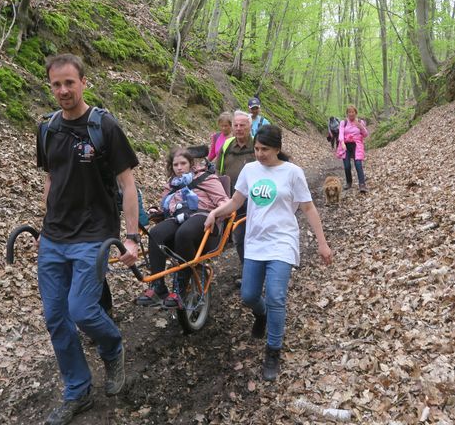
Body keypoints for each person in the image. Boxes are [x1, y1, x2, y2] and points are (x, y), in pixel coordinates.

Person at [36, 54, 140, 425]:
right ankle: (77, 391)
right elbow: (51, 177)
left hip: (94, 234)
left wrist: (131, 237)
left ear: (83, 82)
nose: (63, 90)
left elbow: (128, 185)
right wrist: (46, 219)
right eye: (56, 84)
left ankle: (112, 348)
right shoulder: (47, 128)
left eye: (69, 83)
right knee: (56, 317)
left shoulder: (104, 126)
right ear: (50, 86)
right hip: (53, 237)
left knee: (81, 309)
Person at [204, 125, 332, 381]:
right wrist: (215, 212)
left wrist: (322, 243)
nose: (260, 154)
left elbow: (308, 208)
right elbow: (235, 202)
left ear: (277, 148)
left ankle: (273, 350)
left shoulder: (293, 173)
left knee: (276, 296)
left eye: (265, 149)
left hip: (282, 242)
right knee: (249, 295)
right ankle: (260, 314)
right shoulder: (250, 170)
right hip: (256, 242)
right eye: (257, 149)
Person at [136, 148, 229, 308]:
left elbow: (224, 201)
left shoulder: (206, 178)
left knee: (183, 232)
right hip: (178, 216)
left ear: (191, 163)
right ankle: (158, 286)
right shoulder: (172, 185)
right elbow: (168, 207)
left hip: (203, 216)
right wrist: (157, 211)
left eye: (183, 163)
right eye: (175, 164)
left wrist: (215, 213)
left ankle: (180, 288)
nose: (179, 167)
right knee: (155, 233)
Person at [215, 110, 256, 285]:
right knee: (239, 237)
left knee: (256, 237)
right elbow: (218, 171)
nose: (239, 129)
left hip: (258, 201)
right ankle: (248, 272)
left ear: (250, 126)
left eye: (243, 125)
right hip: (234, 200)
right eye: (236, 125)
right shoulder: (226, 147)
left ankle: (260, 271)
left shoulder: (258, 145)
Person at [337, 105, 369, 192]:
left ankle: (362, 184)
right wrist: (342, 142)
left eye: (353, 112)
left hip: (357, 145)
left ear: (355, 113)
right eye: (349, 112)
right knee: (347, 166)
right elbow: (340, 133)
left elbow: (365, 134)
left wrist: (361, 127)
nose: (351, 114)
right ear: (347, 113)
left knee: (358, 164)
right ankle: (349, 182)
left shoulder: (360, 122)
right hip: (346, 145)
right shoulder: (343, 122)